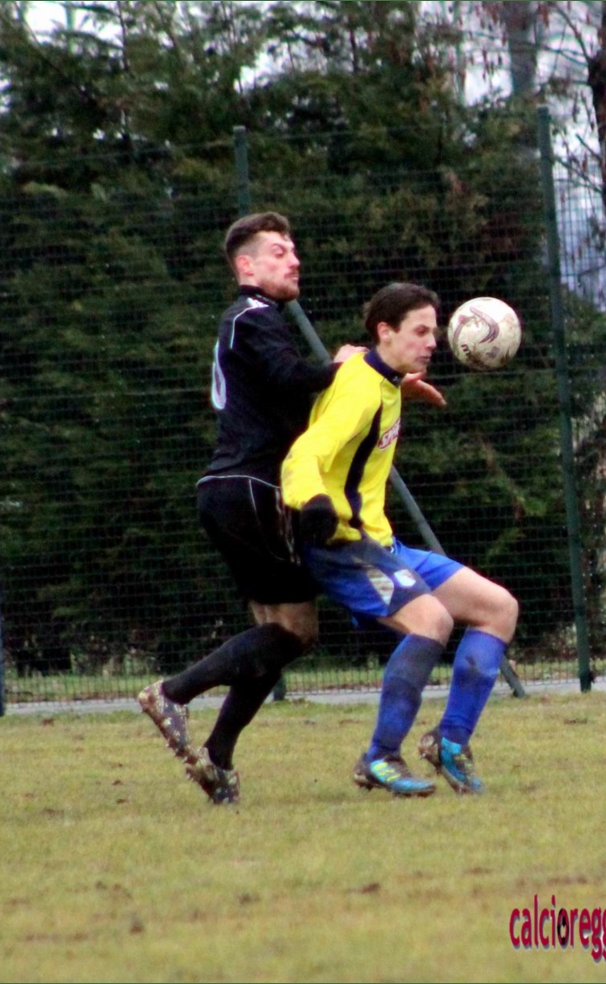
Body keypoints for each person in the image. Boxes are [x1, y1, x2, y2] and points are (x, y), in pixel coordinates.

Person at [138, 215, 443, 805]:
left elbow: (290, 394)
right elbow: (293, 376)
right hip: (252, 486)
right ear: (246, 266)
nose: (294, 260)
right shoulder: (252, 315)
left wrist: (385, 379)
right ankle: (173, 695)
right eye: (279, 252)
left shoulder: (253, 321)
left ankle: (217, 757)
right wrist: (353, 366)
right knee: (295, 632)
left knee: (281, 633)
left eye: (294, 250)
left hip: (233, 490)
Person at [281, 282, 519, 797]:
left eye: (434, 331)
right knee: (432, 621)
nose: (432, 342)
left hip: (382, 544)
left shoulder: (382, 379)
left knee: (498, 608)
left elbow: (366, 381)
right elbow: (304, 454)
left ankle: (449, 742)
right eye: (420, 331)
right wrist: (313, 501)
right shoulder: (361, 389)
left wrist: (401, 386)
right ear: (384, 331)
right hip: (342, 546)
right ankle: (380, 756)